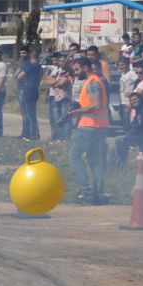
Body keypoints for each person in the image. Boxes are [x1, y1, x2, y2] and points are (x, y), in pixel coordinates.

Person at [68, 57, 109, 204]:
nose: (76, 72)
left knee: (74, 155)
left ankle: (85, 190)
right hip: (99, 126)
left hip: (89, 125)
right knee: (94, 160)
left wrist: (78, 111)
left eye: (77, 69)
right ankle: (98, 193)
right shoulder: (95, 80)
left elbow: (96, 104)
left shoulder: (92, 82)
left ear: (85, 67)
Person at [15, 46, 41, 140]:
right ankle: (26, 134)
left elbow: (18, 76)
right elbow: (16, 74)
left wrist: (19, 72)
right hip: (28, 91)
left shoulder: (31, 66)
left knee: (30, 115)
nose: (23, 55)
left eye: (25, 53)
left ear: (30, 55)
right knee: (26, 115)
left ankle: (32, 135)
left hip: (29, 92)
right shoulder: (35, 66)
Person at [46, 53, 73, 141]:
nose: (61, 63)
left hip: (65, 98)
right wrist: (56, 81)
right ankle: (59, 138)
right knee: (56, 119)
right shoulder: (58, 71)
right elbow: (48, 81)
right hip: (57, 98)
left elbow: (61, 83)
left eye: (63, 61)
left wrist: (55, 82)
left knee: (65, 119)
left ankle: (66, 138)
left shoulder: (68, 72)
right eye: (60, 61)